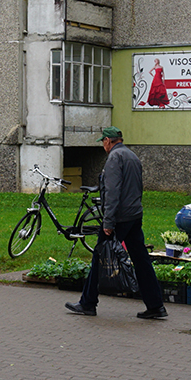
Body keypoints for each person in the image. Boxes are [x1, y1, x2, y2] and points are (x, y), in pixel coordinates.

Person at [66, 127, 166, 319]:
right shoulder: (132, 156)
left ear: (107, 141)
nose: (103, 146)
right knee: (141, 260)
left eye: (103, 142)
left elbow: (112, 192)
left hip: (119, 218)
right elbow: (137, 187)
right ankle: (156, 305)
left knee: (100, 257)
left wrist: (108, 222)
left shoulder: (114, 158)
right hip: (134, 215)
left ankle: (87, 303)